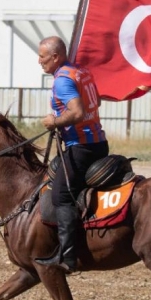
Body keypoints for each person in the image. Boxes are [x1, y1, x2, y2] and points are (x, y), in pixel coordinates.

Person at [35, 36, 108, 273]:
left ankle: (68, 257)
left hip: (82, 147)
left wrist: (55, 121)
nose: (39, 61)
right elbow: (95, 101)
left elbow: (76, 112)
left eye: (43, 57)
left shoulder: (62, 81)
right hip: (98, 142)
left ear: (55, 57)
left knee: (62, 196)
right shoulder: (81, 72)